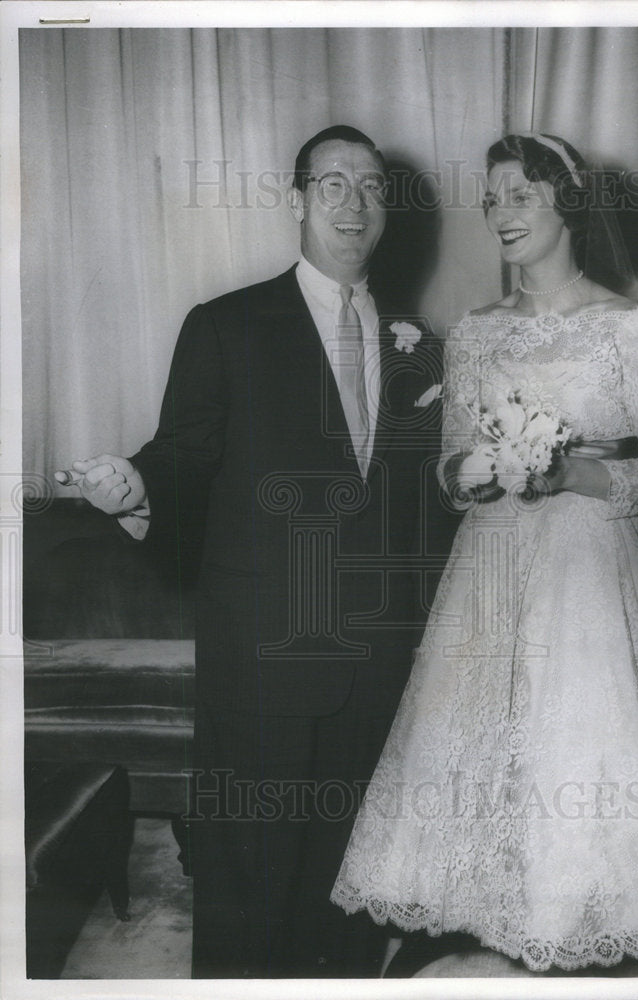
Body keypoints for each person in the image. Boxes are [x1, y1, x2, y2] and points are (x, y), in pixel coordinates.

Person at [331, 133, 638, 975]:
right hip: (490, 568)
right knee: (471, 748)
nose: (501, 213)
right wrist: (478, 470)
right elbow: (448, 465)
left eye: (520, 194)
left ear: (565, 203)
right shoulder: (474, 333)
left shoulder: (628, 329)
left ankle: (579, 921)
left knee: (585, 748)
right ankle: (493, 921)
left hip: (592, 565)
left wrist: (567, 471)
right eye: (491, 199)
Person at [60, 125, 445, 978]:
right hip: (263, 654)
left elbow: (425, 507)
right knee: (252, 885)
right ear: (298, 199)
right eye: (334, 183)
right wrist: (136, 487)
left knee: (353, 885)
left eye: (373, 187)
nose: (355, 202)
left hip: (380, 660)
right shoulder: (226, 325)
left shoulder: (419, 345)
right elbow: (183, 456)